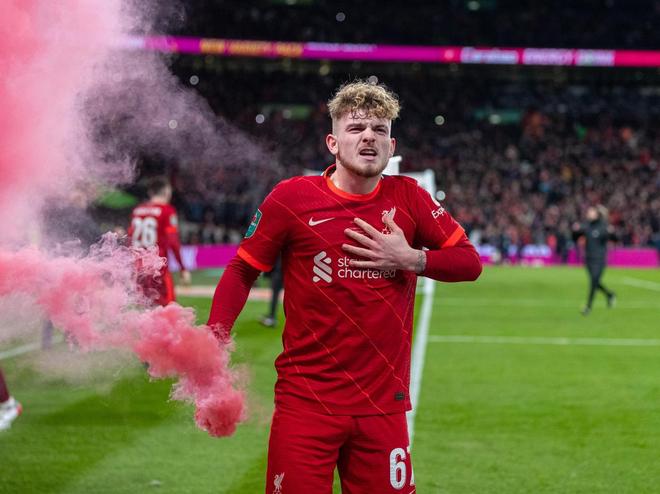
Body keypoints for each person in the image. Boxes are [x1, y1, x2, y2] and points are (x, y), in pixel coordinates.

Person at [207, 80, 482, 493]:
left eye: (380, 130)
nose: (369, 136)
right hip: (306, 404)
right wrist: (214, 339)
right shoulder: (292, 198)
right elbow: (242, 269)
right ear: (333, 143)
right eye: (356, 128)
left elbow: (470, 262)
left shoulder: (410, 198)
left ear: (391, 146)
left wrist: (411, 258)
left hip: (382, 408)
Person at [129, 177, 191, 306]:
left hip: (139, 267)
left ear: (150, 192)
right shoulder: (167, 210)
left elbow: (130, 237)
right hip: (157, 267)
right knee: (169, 308)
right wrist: (182, 268)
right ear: (167, 192)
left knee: (146, 308)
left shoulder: (137, 210)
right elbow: (173, 241)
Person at [573, 205, 616, 315]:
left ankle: (588, 307)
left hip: (600, 259)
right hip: (588, 259)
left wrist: (612, 233)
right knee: (595, 282)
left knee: (593, 282)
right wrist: (575, 230)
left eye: (591, 212)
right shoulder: (587, 226)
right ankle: (609, 294)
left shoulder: (603, 226)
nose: (588, 213)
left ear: (597, 214)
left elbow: (614, 239)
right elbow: (575, 238)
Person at [259, 255, 283, 328]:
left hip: (279, 274)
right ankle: (271, 316)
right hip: (281, 273)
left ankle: (272, 317)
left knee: (275, 296)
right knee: (275, 296)